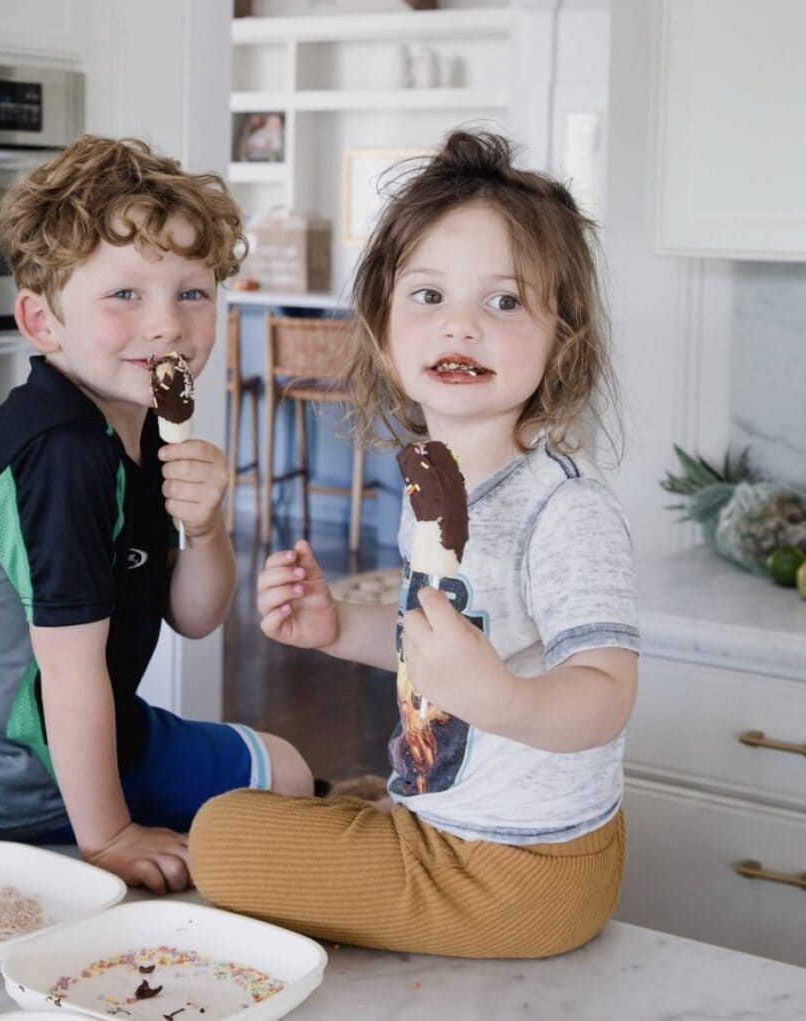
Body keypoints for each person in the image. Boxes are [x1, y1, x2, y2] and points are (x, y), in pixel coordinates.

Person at [189, 130, 639, 957]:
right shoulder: (435, 479)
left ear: (561, 338)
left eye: (504, 301)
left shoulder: (563, 511)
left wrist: (500, 698)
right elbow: (431, 649)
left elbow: (607, 691)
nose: (461, 324)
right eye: (428, 296)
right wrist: (332, 628)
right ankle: (382, 822)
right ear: (385, 331)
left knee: (220, 837)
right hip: (453, 826)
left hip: (520, 871)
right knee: (291, 801)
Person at [0, 135, 313, 894]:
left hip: (66, 724)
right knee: (287, 781)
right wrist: (109, 835)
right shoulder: (63, 452)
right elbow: (68, 671)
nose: (167, 324)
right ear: (43, 322)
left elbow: (194, 615)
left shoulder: (131, 425)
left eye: (193, 292)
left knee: (285, 771)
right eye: (126, 295)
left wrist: (206, 530)